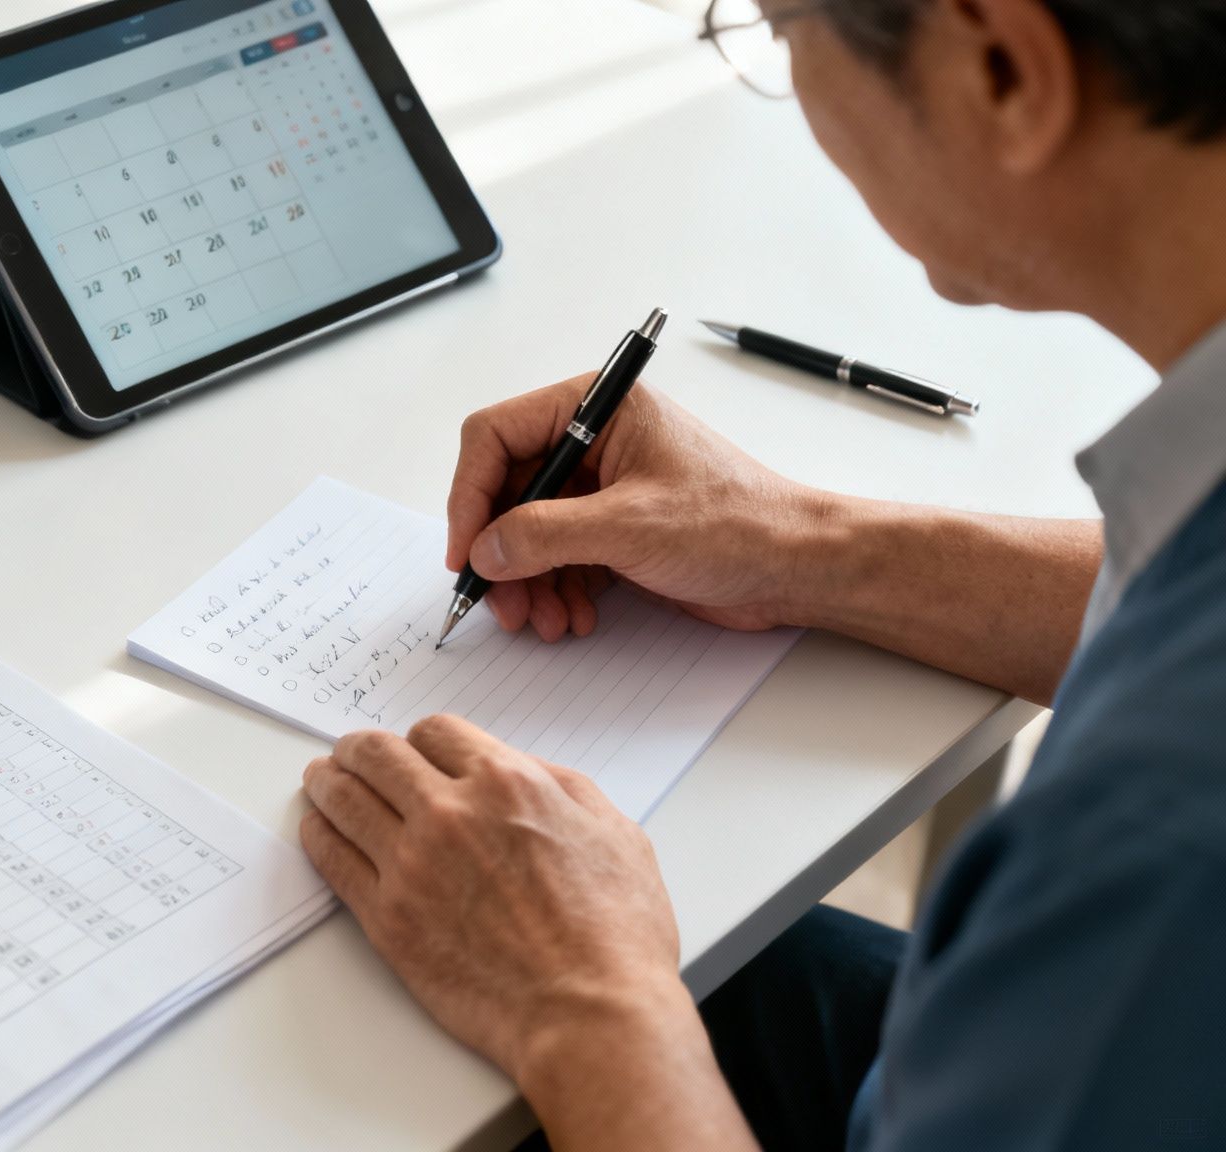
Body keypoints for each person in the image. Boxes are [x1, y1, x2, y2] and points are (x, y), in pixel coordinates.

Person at [294, 1, 1226, 1148]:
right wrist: (794, 545)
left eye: (776, 23)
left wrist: (579, 1009)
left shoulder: (1154, 848)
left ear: (1000, 70)